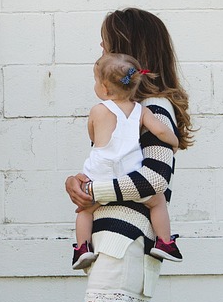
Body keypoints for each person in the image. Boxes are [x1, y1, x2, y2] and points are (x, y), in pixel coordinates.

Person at [65, 8, 196, 302]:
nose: (100, 54)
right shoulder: (129, 110)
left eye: (105, 46)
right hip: (124, 241)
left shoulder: (152, 108)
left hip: (123, 241)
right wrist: (77, 182)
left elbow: (156, 179)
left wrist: (91, 194)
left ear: (127, 49)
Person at [71, 52, 183, 270]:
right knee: (157, 201)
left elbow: (93, 138)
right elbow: (160, 130)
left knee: (84, 211)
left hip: (99, 177)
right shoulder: (142, 110)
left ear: (104, 88)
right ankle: (164, 242)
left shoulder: (97, 110)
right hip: (129, 175)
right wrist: (174, 142)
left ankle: (82, 248)